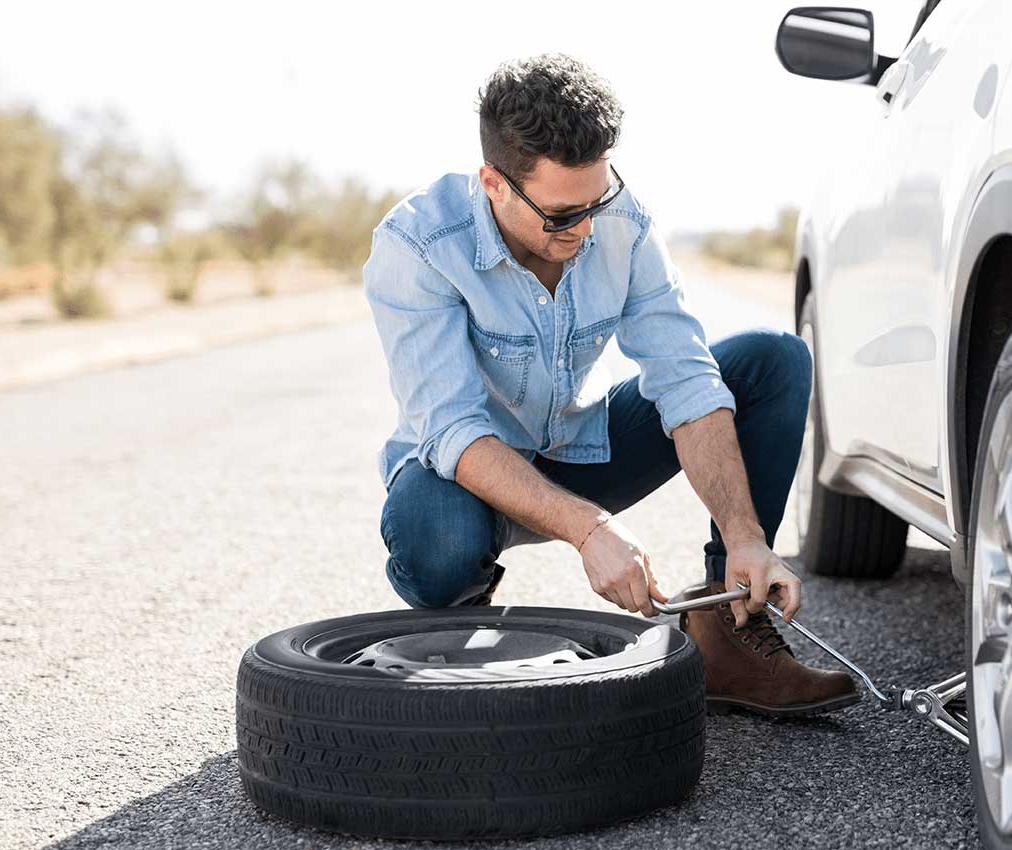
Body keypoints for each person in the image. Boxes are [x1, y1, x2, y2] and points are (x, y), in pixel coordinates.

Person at [362, 53, 858, 717]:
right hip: (464, 481)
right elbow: (454, 430)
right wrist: (591, 531)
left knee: (774, 360)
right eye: (565, 215)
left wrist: (745, 535)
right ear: (495, 183)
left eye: (596, 201)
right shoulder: (419, 244)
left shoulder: (621, 221)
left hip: (578, 447)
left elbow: (684, 378)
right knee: (437, 537)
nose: (587, 228)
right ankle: (459, 635)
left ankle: (730, 634)